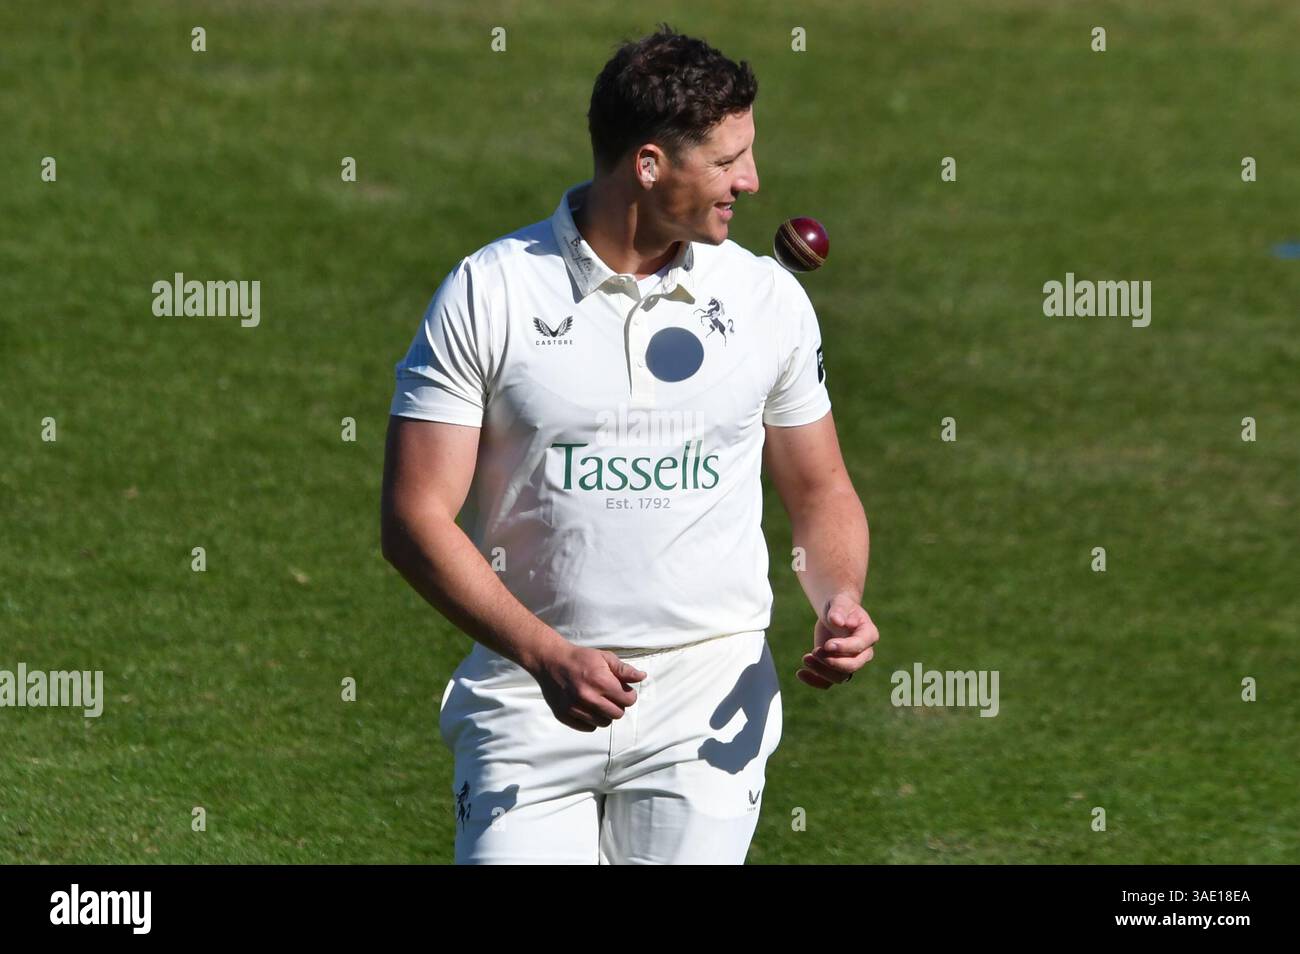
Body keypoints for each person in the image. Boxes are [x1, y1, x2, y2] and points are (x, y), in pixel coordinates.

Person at [380, 23, 878, 864]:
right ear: (648, 165)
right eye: (727, 162)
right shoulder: (490, 291)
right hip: (527, 692)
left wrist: (839, 596)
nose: (750, 182)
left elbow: (820, 489)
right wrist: (544, 653)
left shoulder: (767, 301)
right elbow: (413, 516)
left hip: (707, 699)